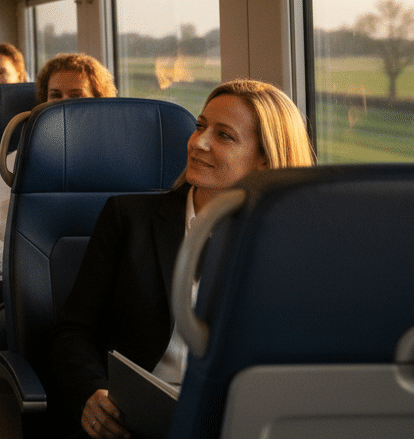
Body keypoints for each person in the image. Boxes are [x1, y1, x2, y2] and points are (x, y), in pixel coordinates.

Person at [50, 78, 315, 439]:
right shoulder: (128, 218)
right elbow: (74, 330)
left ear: (264, 162)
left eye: (224, 135)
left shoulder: (291, 243)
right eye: (200, 126)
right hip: (136, 419)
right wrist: (91, 392)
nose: (198, 143)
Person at [0, 53, 118, 279]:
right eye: (55, 95)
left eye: (76, 95)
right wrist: (34, 263)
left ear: (98, 102)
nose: (63, 104)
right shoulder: (19, 161)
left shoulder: (121, 165)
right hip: (25, 283)